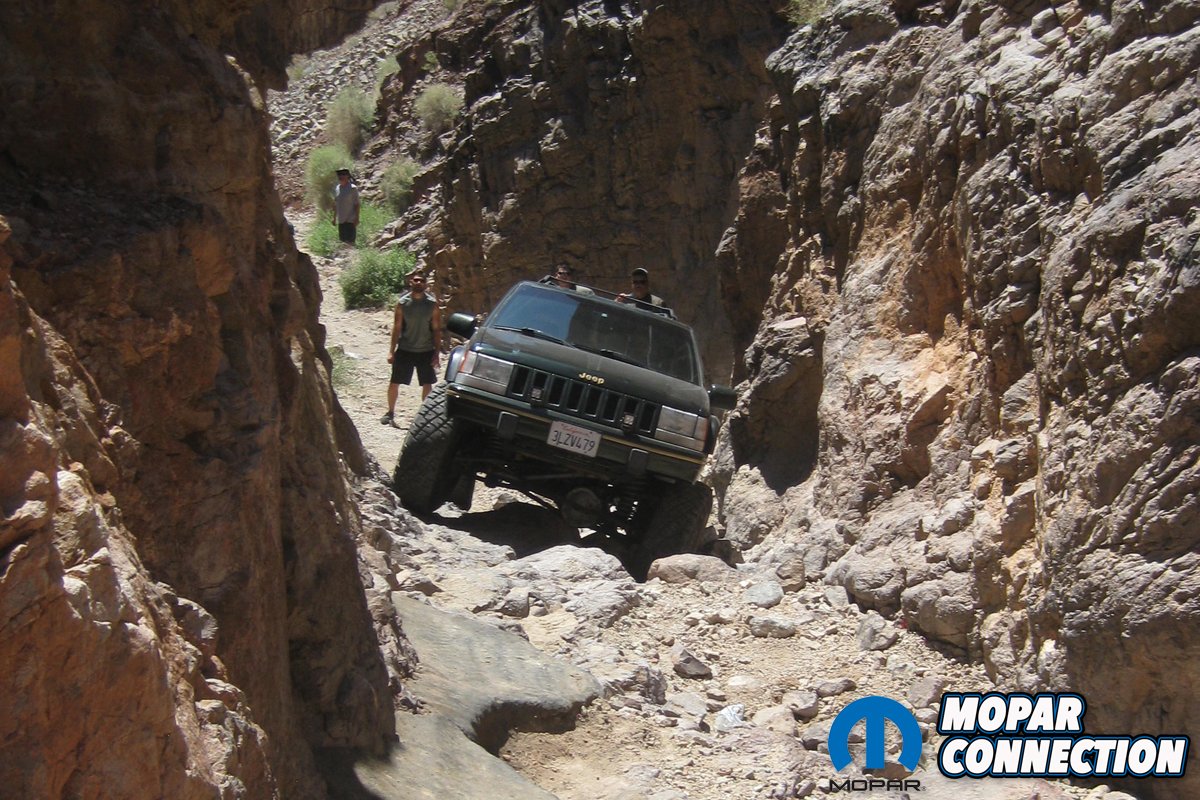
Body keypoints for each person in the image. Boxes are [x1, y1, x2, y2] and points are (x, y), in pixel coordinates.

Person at [381, 271, 442, 426]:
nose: (418, 283)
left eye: (421, 280)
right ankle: (390, 412)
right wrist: (391, 351)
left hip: (425, 350)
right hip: (405, 349)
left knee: (427, 383)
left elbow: (436, 329)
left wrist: (436, 353)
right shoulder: (403, 304)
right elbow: (397, 328)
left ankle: (425, 416)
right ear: (411, 282)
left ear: (426, 284)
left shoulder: (432, 305)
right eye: (415, 280)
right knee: (395, 381)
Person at [333, 168, 361, 246]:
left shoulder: (353, 188)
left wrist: (357, 218)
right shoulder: (338, 188)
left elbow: (357, 204)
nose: (340, 177)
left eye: (343, 175)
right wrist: (334, 218)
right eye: (339, 175)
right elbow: (336, 203)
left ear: (347, 176)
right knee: (342, 243)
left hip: (350, 220)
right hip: (341, 220)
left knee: (350, 243)